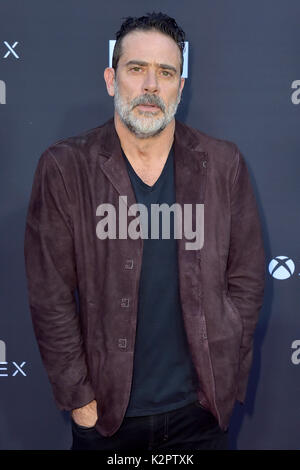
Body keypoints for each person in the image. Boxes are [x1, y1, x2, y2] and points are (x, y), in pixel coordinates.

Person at [24, 12, 265, 451]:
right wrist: (80, 400)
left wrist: (226, 379)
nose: (151, 85)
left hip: (201, 416)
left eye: (166, 72)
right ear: (111, 79)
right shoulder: (64, 166)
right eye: (137, 69)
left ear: (180, 86)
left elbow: (247, 280)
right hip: (108, 421)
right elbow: (49, 294)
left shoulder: (223, 164)